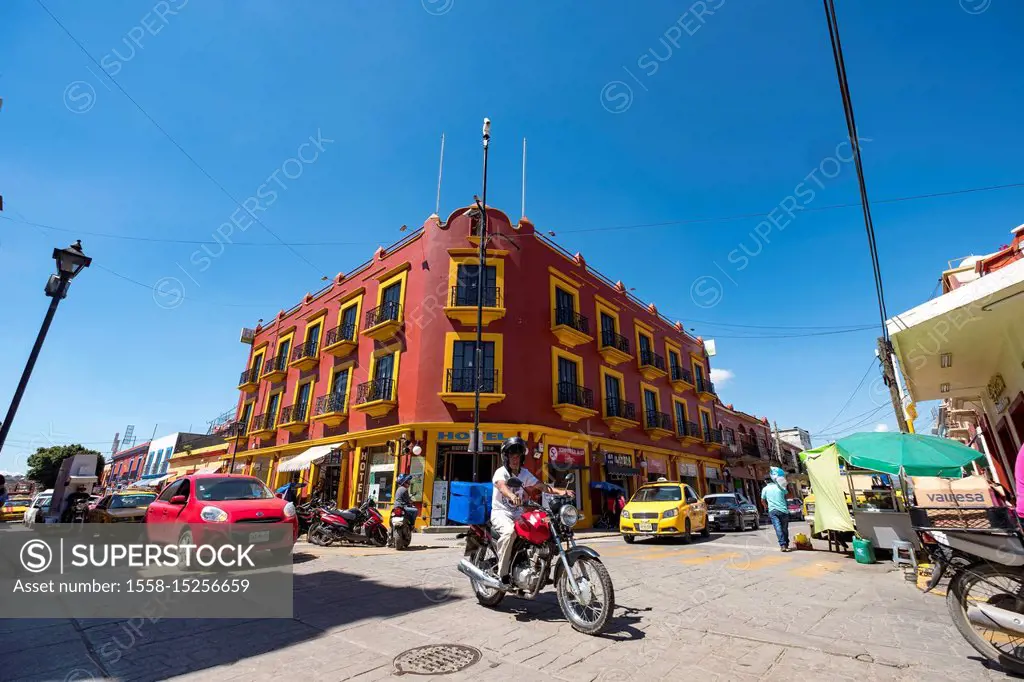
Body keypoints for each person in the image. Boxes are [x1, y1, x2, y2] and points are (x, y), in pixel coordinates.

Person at [492, 437, 574, 583]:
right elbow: (501, 485)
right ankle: (502, 574)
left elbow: (541, 486)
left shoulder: (524, 473)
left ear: (522, 457)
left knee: (542, 526)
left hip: (518, 513)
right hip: (501, 512)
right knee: (509, 532)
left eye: (517, 456)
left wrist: (561, 492)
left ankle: (537, 567)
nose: (514, 459)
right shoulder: (501, 472)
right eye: (511, 456)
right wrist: (511, 495)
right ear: (506, 457)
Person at [761, 477, 791, 552]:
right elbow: (789, 495)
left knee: (778, 528)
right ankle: (786, 543)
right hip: (783, 510)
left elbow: (762, 500)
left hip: (773, 510)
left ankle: (782, 545)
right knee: (784, 528)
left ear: (766, 481)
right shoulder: (780, 487)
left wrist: (766, 507)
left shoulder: (765, 489)